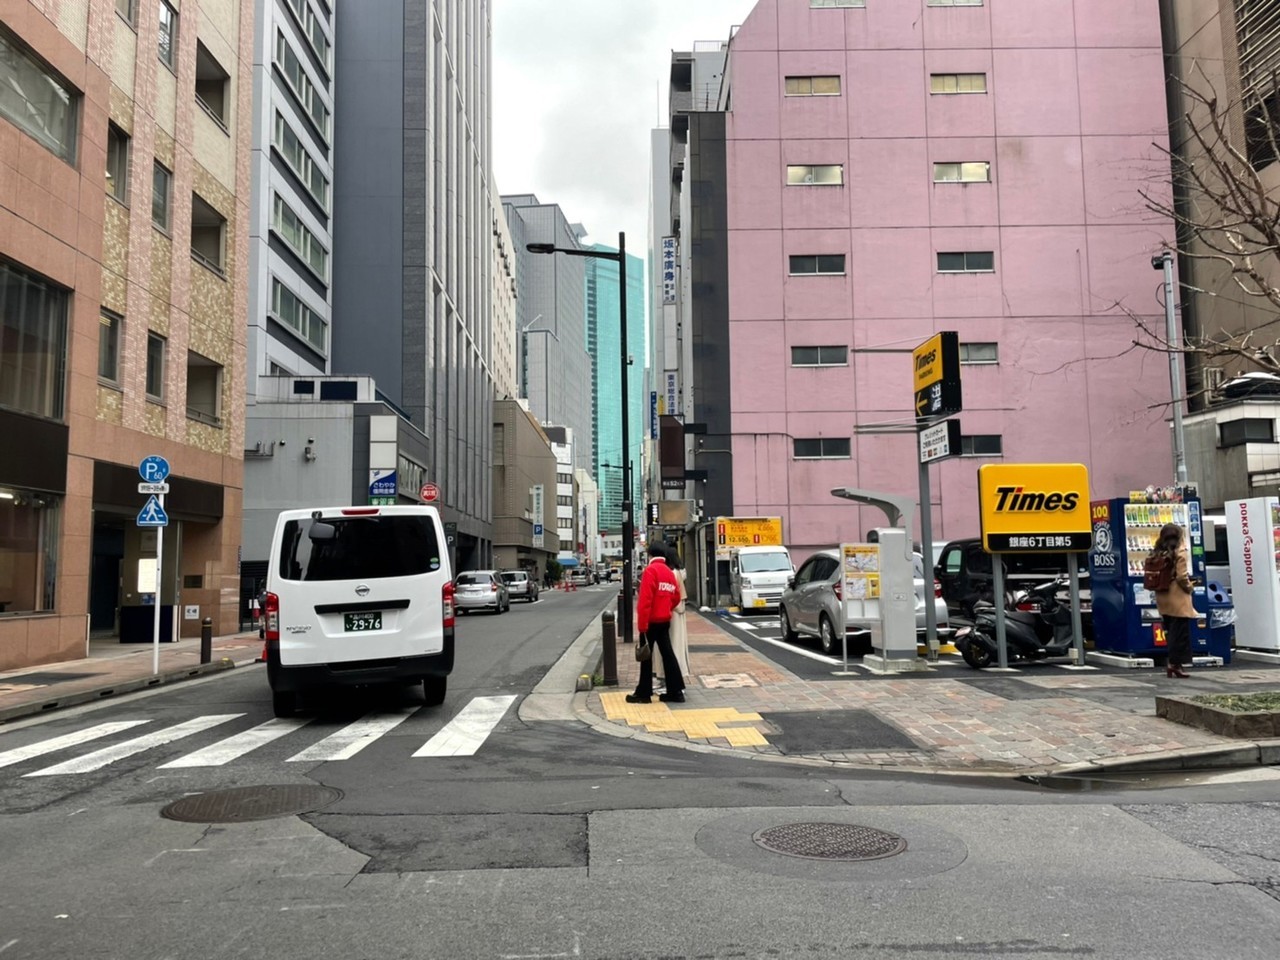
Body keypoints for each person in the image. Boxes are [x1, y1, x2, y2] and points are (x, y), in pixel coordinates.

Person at [627, 541, 685, 704]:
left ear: (650, 554)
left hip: (650, 621)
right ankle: (676, 691)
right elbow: (676, 597)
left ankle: (643, 693)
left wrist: (642, 625)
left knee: (646, 656)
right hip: (664, 620)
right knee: (668, 654)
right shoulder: (668, 572)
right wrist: (665, 608)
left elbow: (645, 601)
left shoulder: (650, 571)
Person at [1152, 522, 1196, 678]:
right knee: (1180, 633)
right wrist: (1190, 588)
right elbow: (1182, 576)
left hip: (1162, 596)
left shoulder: (1158, 552)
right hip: (1177, 597)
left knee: (1171, 631)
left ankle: (1172, 664)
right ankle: (1175, 664)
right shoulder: (1180, 552)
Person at [663, 544, 691, 682]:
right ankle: (680, 673)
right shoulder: (681, 572)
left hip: (673, 611)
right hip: (680, 610)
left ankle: (674, 677)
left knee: (673, 644)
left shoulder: (671, 573)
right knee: (678, 643)